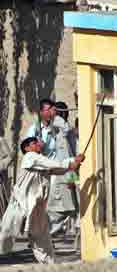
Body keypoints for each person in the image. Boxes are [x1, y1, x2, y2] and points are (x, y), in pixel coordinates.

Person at [0, 137, 84, 264]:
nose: (38, 144)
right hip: (20, 204)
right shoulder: (30, 157)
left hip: (37, 207)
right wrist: (71, 162)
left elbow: (56, 169)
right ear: (27, 148)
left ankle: (50, 265)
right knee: (6, 233)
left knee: (41, 238)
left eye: (37, 142)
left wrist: (72, 164)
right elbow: (54, 164)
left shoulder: (41, 162)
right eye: (34, 143)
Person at [47, 101, 78, 236]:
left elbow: (66, 129)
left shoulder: (66, 130)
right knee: (59, 204)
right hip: (62, 170)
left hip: (69, 170)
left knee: (71, 201)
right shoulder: (56, 129)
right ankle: (49, 231)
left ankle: (51, 231)